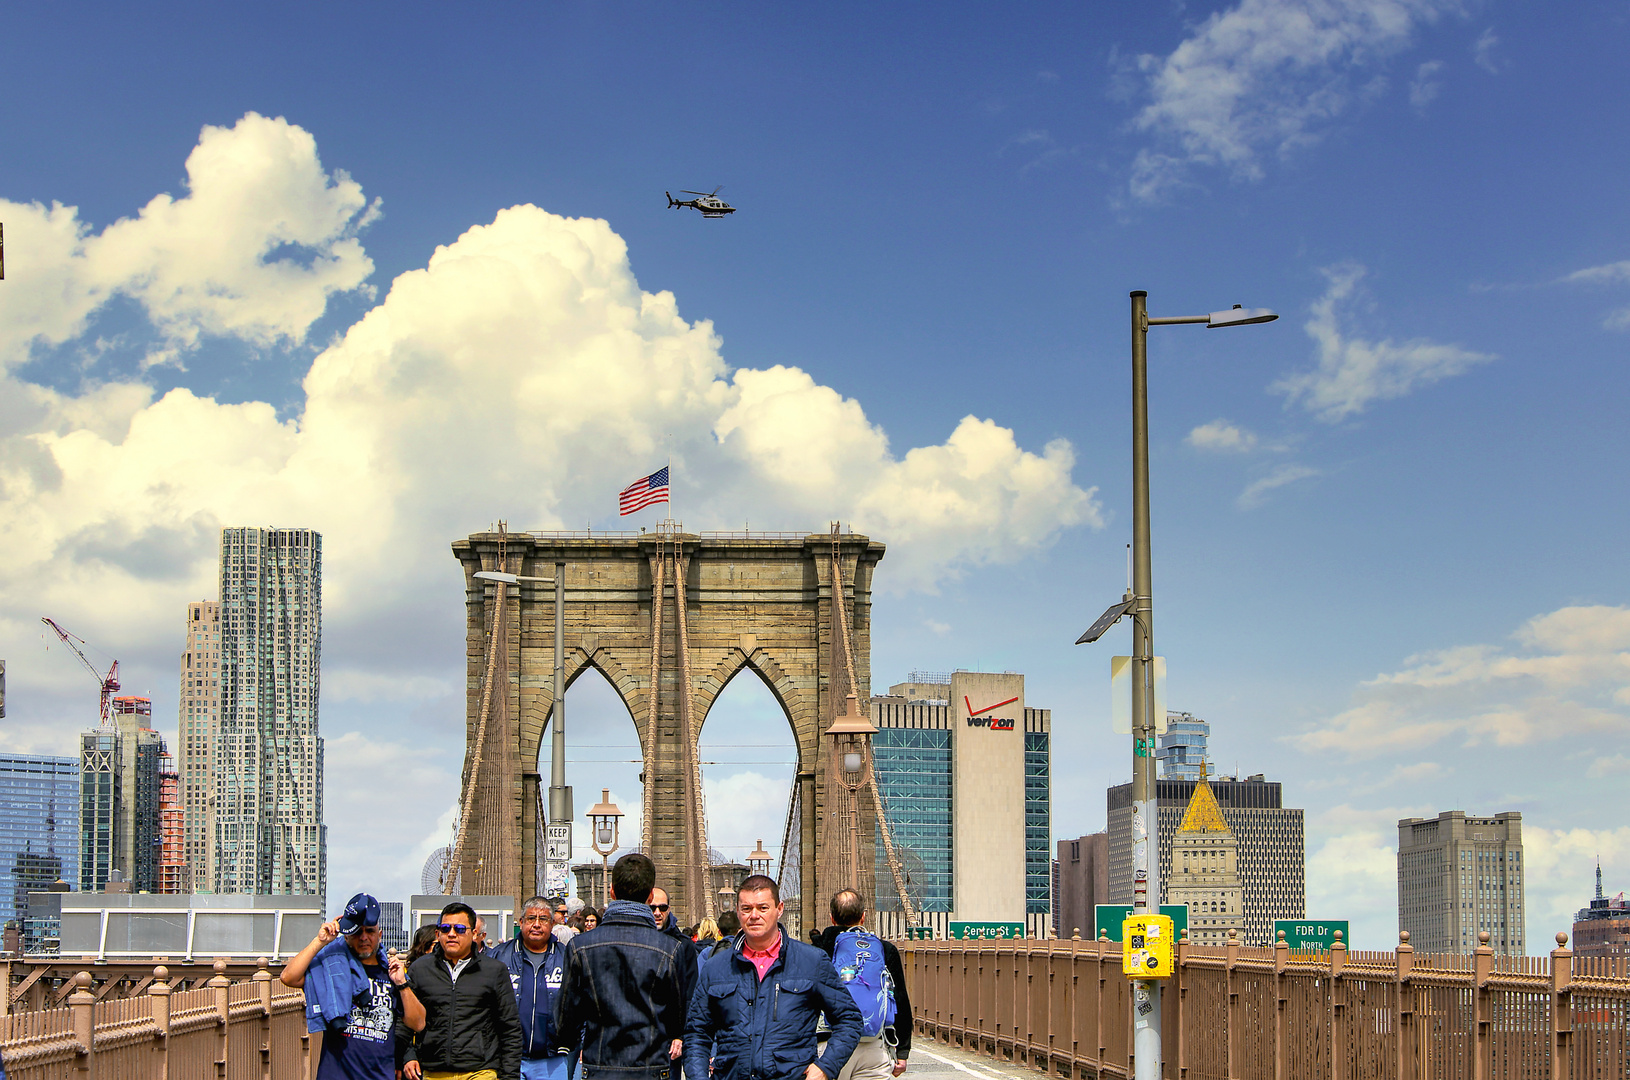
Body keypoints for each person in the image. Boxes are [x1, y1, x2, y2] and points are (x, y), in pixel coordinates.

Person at [685, 875, 864, 1080]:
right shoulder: (715, 967)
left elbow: (849, 1019)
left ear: (779, 909)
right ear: (738, 912)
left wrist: (825, 1067)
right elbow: (696, 1034)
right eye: (746, 909)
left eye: (763, 908)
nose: (754, 915)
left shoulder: (812, 962)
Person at [555, 853, 694, 1079]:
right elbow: (677, 1020)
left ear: (612, 891)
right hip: (652, 1069)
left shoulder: (579, 947)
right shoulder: (671, 949)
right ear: (650, 897)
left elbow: (566, 1019)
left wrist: (573, 1042)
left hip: (600, 1068)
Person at [281, 892, 425, 1080]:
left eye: (370, 931)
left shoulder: (391, 973)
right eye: (357, 932)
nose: (364, 937)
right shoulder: (331, 969)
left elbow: (418, 1023)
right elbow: (288, 977)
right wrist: (320, 942)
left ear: (379, 935)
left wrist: (402, 984)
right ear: (346, 936)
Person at [402, 901, 523, 1080]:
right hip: (433, 1071)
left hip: (480, 1070)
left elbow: (510, 1028)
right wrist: (408, 1056)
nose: (451, 934)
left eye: (459, 929)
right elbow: (402, 1019)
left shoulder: (494, 970)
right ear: (437, 933)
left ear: (474, 933)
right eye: (445, 929)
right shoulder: (419, 969)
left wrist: (509, 1076)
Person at [813, 891, 912, 1080]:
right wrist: (902, 1051)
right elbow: (899, 999)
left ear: (832, 918)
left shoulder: (819, 948)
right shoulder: (884, 949)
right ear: (863, 917)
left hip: (830, 1047)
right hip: (873, 1047)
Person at [490, 896, 572, 1080]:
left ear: (551, 924)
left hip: (552, 1059)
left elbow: (580, 1003)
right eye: (530, 919)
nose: (536, 924)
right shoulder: (498, 956)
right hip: (507, 1058)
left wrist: (577, 1041)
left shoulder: (567, 957)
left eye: (542, 919)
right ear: (521, 922)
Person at [650, 887, 700, 964]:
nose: (657, 913)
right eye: (652, 908)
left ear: (668, 910)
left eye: (663, 908)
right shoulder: (634, 939)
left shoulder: (685, 945)